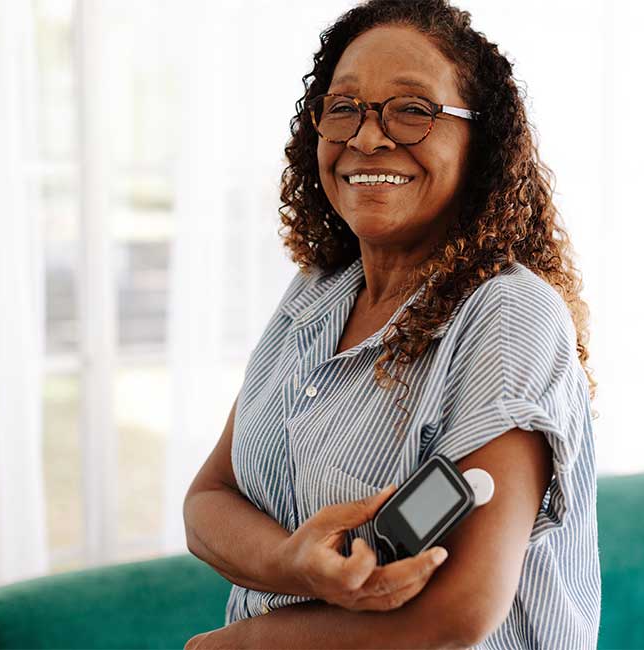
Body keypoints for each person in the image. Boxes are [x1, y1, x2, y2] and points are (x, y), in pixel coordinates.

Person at [183, 0, 601, 648]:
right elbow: (208, 501)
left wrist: (238, 644)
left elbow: (460, 609)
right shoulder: (314, 295)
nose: (368, 137)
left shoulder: (509, 315)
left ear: (479, 141)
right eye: (343, 107)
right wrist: (295, 562)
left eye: (412, 110)